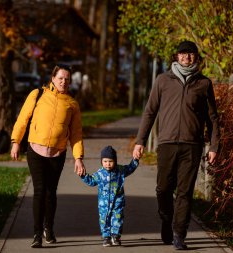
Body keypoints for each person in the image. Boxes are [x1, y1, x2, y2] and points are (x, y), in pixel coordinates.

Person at [132, 40, 220, 250]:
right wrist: (140, 141)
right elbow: (150, 112)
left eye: (190, 54)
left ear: (196, 57)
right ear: (176, 57)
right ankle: (166, 220)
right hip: (167, 144)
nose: (186, 57)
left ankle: (179, 233)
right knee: (163, 189)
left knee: (184, 192)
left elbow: (213, 119)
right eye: (182, 54)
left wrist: (215, 146)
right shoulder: (163, 80)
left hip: (192, 146)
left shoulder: (204, 83)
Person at [10, 64, 86, 248]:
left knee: (51, 193)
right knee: (39, 191)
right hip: (35, 150)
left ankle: (48, 229)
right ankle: (37, 234)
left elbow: (76, 134)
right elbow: (23, 119)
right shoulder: (37, 95)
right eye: (60, 78)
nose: (64, 82)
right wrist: (15, 141)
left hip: (57, 153)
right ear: (52, 78)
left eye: (67, 79)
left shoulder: (72, 104)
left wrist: (78, 157)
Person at [80, 146, 139, 247]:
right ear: (102, 161)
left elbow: (130, 168)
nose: (108, 164)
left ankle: (116, 236)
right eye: (105, 161)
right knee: (104, 219)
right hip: (104, 204)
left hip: (118, 201)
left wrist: (136, 159)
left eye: (110, 161)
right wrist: (83, 175)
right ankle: (106, 237)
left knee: (118, 218)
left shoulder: (120, 170)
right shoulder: (99, 174)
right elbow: (92, 181)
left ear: (115, 161)